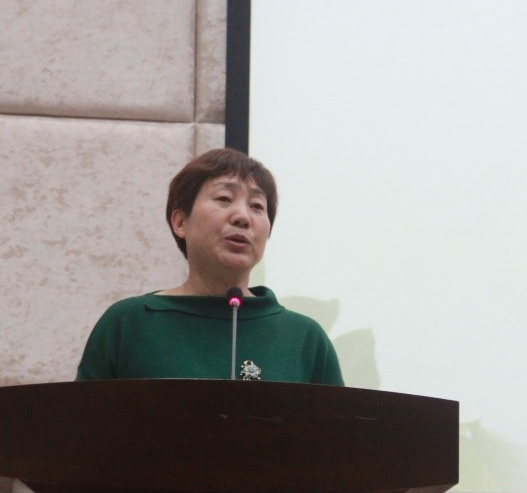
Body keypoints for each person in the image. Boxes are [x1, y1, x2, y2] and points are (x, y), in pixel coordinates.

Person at [75, 148, 343, 385]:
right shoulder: (129, 324)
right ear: (180, 222)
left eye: (257, 206)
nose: (243, 217)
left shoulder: (305, 339)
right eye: (224, 199)